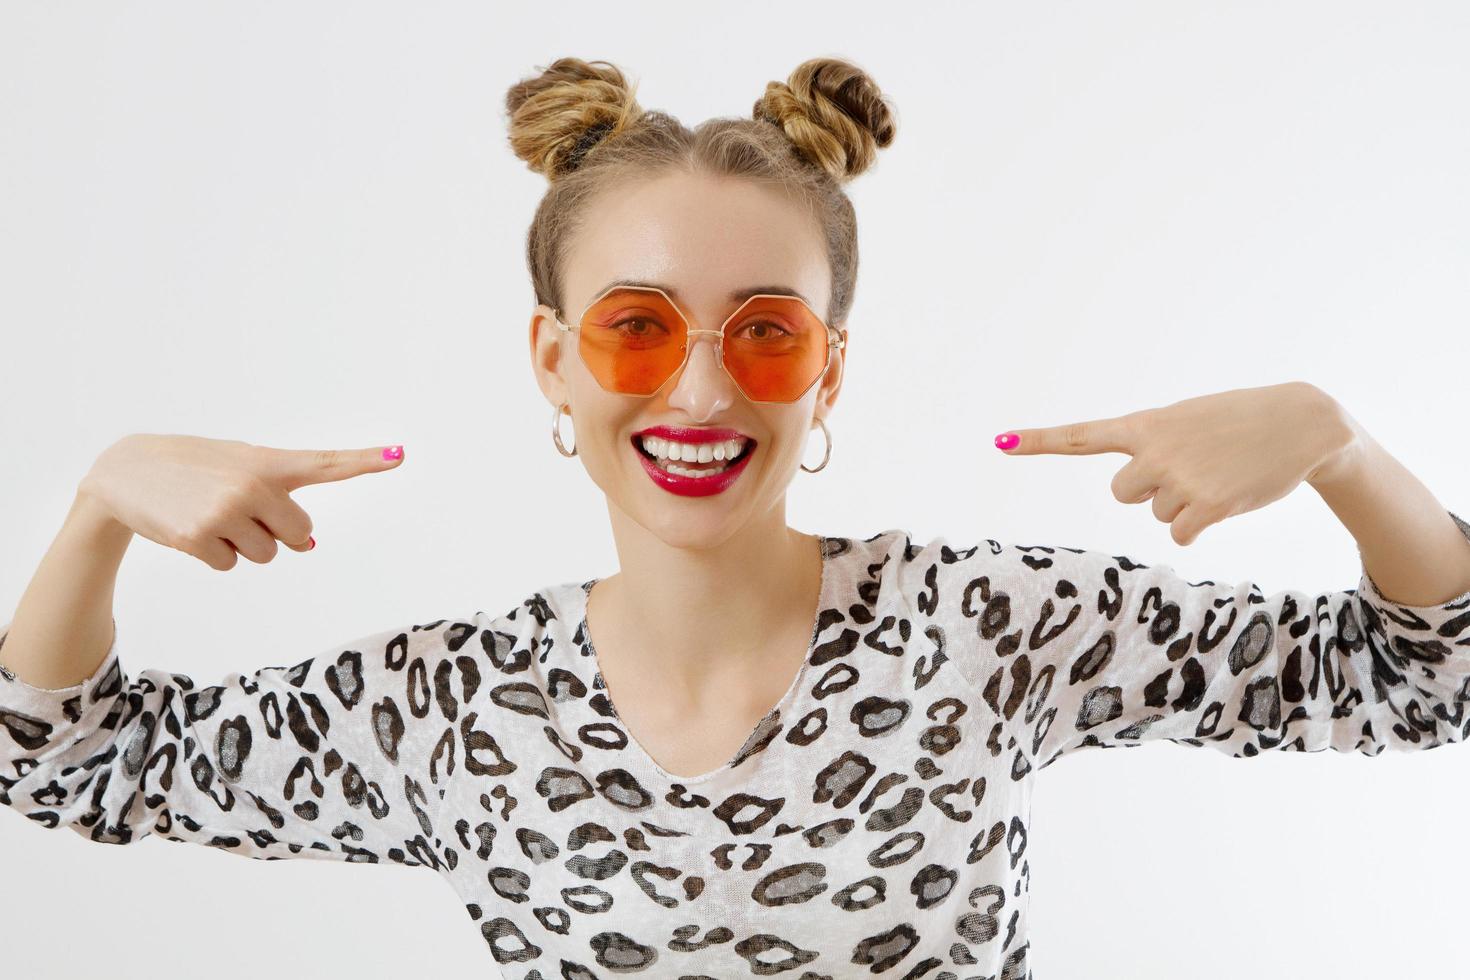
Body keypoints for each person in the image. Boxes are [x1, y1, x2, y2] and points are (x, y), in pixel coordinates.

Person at [3, 55, 1469, 980]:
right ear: (554, 359)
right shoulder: (455, 708)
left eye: (765, 332)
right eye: (637, 326)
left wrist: (1337, 444)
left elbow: (1427, 682)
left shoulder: (986, 627)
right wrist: (96, 507)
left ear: (826, 369)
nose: (701, 390)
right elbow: (66, 765)